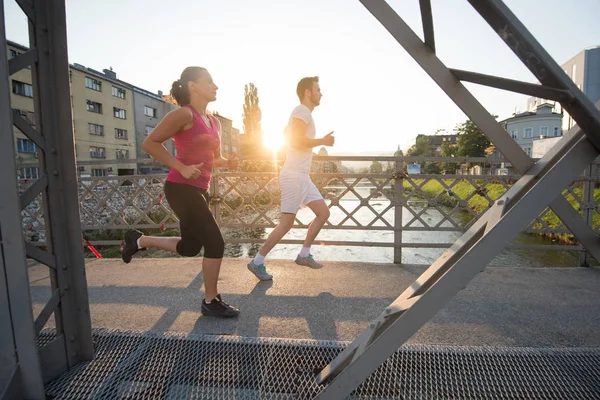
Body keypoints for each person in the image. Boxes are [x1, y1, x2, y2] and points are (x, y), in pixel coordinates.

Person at [121, 66, 240, 318]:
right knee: (215, 242)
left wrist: (227, 162)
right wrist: (181, 167)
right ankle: (211, 300)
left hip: (199, 189)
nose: (215, 86)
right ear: (192, 86)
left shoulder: (214, 122)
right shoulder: (184, 115)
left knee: (189, 247)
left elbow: (213, 158)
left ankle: (138, 240)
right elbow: (150, 143)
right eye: (209, 81)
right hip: (180, 187)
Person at [247, 76, 335, 281]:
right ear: (308, 92)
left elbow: (288, 135)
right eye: (318, 89)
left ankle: (304, 254)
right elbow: (296, 140)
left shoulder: (302, 114)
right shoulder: (301, 111)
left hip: (302, 176)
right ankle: (257, 262)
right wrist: (323, 141)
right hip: (294, 176)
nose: (321, 93)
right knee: (286, 223)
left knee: (323, 213)